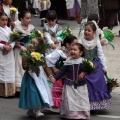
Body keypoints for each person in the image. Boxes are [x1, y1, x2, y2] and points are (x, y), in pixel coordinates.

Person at [50, 43, 90, 119]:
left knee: (81, 100)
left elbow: (89, 70)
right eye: (71, 49)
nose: (72, 51)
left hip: (81, 85)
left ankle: (82, 115)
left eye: (75, 50)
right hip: (70, 84)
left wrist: (83, 73)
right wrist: (55, 78)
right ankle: (72, 115)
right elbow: (61, 72)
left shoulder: (84, 61)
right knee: (71, 100)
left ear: (81, 53)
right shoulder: (68, 61)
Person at [79, 21, 111, 112]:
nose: (86, 32)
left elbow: (101, 55)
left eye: (89, 30)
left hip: (96, 66)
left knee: (97, 84)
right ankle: (86, 104)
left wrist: (104, 68)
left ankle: (96, 105)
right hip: (84, 65)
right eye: (85, 30)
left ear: (94, 32)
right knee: (86, 85)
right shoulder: (81, 41)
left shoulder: (97, 42)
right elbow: (79, 53)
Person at [19, 37, 54, 118]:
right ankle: (31, 110)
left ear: (40, 46)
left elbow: (45, 67)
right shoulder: (26, 55)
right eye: (31, 42)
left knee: (40, 93)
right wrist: (29, 63)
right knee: (32, 93)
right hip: (30, 78)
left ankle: (37, 110)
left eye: (35, 43)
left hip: (40, 77)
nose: (32, 44)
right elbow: (24, 66)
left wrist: (50, 76)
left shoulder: (41, 55)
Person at [46, 35, 78, 112]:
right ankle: (56, 107)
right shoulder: (60, 53)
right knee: (58, 90)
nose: (76, 46)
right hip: (59, 76)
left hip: (68, 77)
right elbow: (47, 59)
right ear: (67, 45)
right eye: (74, 44)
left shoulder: (73, 54)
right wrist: (54, 68)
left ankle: (65, 106)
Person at [13, 10, 35, 92]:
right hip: (19, 51)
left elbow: (34, 39)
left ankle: (27, 86)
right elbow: (13, 41)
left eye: (30, 18)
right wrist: (20, 46)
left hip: (28, 51)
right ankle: (19, 87)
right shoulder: (17, 28)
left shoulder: (32, 28)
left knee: (28, 67)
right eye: (27, 18)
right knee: (19, 66)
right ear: (21, 19)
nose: (29, 20)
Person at [0, 12, 15, 97]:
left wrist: (11, 46)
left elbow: (13, 40)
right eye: (2, 20)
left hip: (9, 52)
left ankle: (9, 91)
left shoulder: (9, 29)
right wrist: (2, 46)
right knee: (1, 70)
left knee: (9, 70)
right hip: (1, 53)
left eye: (6, 20)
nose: (4, 22)